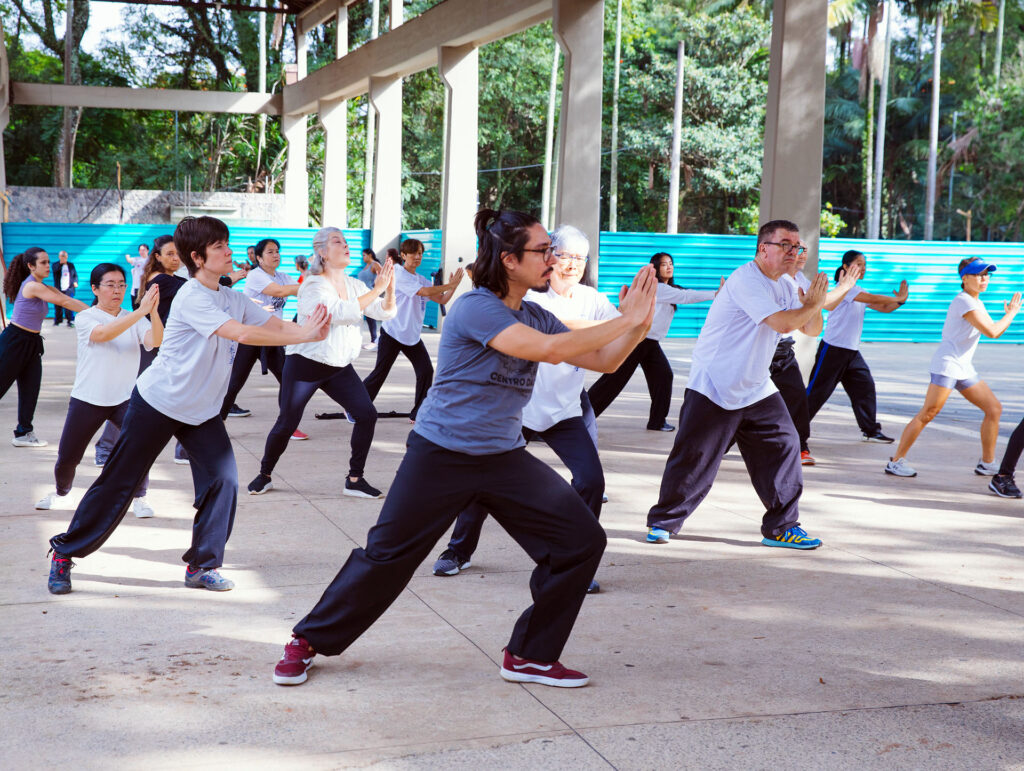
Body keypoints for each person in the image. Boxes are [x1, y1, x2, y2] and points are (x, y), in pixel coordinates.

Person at [271, 209, 657, 689]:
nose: (554, 261)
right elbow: (549, 351)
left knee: (581, 542)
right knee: (386, 559)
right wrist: (627, 318)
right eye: (544, 251)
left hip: (502, 456)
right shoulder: (477, 307)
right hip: (441, 454)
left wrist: (639, 325)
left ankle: (530, 656)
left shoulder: (535, 312)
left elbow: (605, 359)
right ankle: (306, 640)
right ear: (510, 260)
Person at [46, 216, 331, 596]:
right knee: (119, 484)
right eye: (219, 247)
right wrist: (307, 333)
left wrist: (308, 331)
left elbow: (273, 326)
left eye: (227, 244)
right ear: (197, 256)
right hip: (158, 401)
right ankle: (64, 553)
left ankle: (202, 565)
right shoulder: (192, 297)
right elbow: (243, 334)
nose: (230, 252)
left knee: (224, 480)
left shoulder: (231, 296)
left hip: (201, 409)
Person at [430, 224, 614, 594]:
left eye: (581, 258)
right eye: (565, 255)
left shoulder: (594, 299)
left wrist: (637, 322)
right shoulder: (534, 298)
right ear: (550, 257)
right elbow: (568, 332)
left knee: (592, 481)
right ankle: (458, 550)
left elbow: (611, 342)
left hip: (564, 410)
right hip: (522, 410)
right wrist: (619, 324)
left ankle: (573, 560)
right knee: (481, 487)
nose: (573, 265)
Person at [645, 220, 827, 550]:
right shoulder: (747, 280)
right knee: (695, 457)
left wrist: (813, 304)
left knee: (786, 445)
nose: (794, 252)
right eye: (786, 245)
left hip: (756, 385)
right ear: (763, 248)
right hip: (716, 381)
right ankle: (663, 521)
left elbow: (811, 329)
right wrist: (811, 306)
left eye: (798, 247)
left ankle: (782, 526)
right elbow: (783, 322)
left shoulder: (785, 285)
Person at [247, 227, 396, 499]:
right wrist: (378, 289)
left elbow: (384, 312)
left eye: (346, 241)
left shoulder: (354, 285)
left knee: (367, 414)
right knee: (287, 421)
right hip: (307, 363)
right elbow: (338, 312)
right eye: (338, 241)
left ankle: (354, 479)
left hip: (339, 365)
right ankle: (265, 474)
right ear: (322, 252)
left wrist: (389, 286)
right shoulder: (313, 285)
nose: (346, 245)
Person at [35, 264, 163, 518]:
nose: (117, 290)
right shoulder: (86, 317)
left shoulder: (134, 317)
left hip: (125, 399)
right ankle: (62, 494)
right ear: (95, 288)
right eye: (110, 285)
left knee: (139, 448)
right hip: (88, 398)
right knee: (68, 455)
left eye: (121, 285)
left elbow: (155, 341)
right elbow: (103, 334)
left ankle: (139, 498)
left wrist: (154, 313)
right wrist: (141, 313)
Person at [886, 258, 1020, 480]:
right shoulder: (964, 302)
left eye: (987, 274)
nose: (984, 278)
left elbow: (995, 329)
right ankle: (896, 461)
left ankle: (987, 463)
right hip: (948, 365)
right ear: (964, 278)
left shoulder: (976, 302)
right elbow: (993, 332)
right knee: (928, 413)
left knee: (994, 409)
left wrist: (1007, 315)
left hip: (963, 367)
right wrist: (1012, 313)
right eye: (978, 274)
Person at [588, 252, 717, 431]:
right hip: (637, 340)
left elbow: (684, 293)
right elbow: (687, 297)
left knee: (663, 376)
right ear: (655, 268)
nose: (669, 267)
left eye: (671, 263)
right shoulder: (657, 288)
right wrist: (715, 294)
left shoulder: (670, 289)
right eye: (664, 264)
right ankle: (580, 419)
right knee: (612, 381)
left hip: (649, 342)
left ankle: (657, 422)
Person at [95, 235, 188, 465]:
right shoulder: (162, 281)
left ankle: (184, 449)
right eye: (170, 254)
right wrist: (225, 279)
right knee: (133, 401)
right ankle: (105, 449)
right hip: (151, 346)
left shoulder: (170, 278)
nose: (176, 258)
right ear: (157, 257)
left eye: (178, 254)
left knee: (181, 396)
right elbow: (195, 288)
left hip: (165, 347)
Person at [805, 249, 909, 443]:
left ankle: (870, 430)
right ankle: (794, 428)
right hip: (833, 350)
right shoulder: (844, 289)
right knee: (816, 393)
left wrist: (901, 301)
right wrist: (897, 298)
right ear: (845, 267)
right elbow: (874, 299)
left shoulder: (860, 291)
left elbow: (884, 308)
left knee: (865, 388)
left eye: (864, 265)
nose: (863, 268)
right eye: (858, 264)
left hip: (851, 352)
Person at [773, 241, 862, 466]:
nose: (802, 255)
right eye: (795, 249)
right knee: (740, 407)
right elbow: (821, 303)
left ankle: (800, 448)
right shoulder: (782, 281)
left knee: (798, 400)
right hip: (761, 354)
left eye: (804, 250)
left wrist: (825, 298)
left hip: (783, 352)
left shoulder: (800, 280)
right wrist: (845, 287)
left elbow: (821, 310)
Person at [363, 238, 464, 422]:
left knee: (425, 371)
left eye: (420, 253)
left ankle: (418, 413)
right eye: (413, 253)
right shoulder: (399, 274)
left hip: (412, 336)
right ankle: (357, 406)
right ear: (403, 255)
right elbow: (423, 293)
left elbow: (441, 300)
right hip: (393, 332)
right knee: (380, 372)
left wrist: (453, 287)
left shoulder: (420, 279)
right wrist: (448, 285)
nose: (418, 257)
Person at [0, 248, 88, 448]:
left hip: (31, 343)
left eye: (49, 262)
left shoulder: (42, 286)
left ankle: (23, 433)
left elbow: (67, 298)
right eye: (43, 263)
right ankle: (24, 431)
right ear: (31, 266)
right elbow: (64, 301)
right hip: (15, 342)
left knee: (30, 389)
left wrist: (98, 311)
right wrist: (99, 314)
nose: (48, 266)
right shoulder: (32, 286)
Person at [219, 238, 302, 431]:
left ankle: (287, 427)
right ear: (259, 258)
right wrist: (308, 285)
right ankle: (218, 423)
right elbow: (279, 291)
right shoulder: (255, 275)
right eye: (270, 252)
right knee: (234, 383)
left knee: (287, 379)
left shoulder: (282, 275)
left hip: (272, 337)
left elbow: (297, 291)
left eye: (277, 251)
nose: (276, 255)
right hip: (250, 335)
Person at [357, 248, 381, 350]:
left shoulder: (374, 264)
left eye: (364, 255)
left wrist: (376, 287)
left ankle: (374, 341)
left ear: (370, 255)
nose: (363, 257)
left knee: (371, 319)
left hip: (369, 295)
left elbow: (383, 275)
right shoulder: (366, 266)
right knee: (360, 318)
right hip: (361, 296)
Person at [52, 251, 79, 327]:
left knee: (69, 305)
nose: (64, 258)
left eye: (65, 256)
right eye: (62, 256)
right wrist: (61, 263)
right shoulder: (55, 265)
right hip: (59, 289)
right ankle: (57, 321)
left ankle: (70, 321)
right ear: (59, 257)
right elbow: (55, 270)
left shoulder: (71, 265)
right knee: (58, 306)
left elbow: (75, 275)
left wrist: (75, 282)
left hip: (69, 288)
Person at [125, 243, 149, 309]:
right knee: (135, 307)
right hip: (136, 287)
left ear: (147, 250)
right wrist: (127, 256)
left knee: (145, 308)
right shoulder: (137, 259)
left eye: (143, 250)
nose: (142, 252)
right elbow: (129, 260)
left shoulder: (150, 260)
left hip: (146, 287)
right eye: (140, 250)